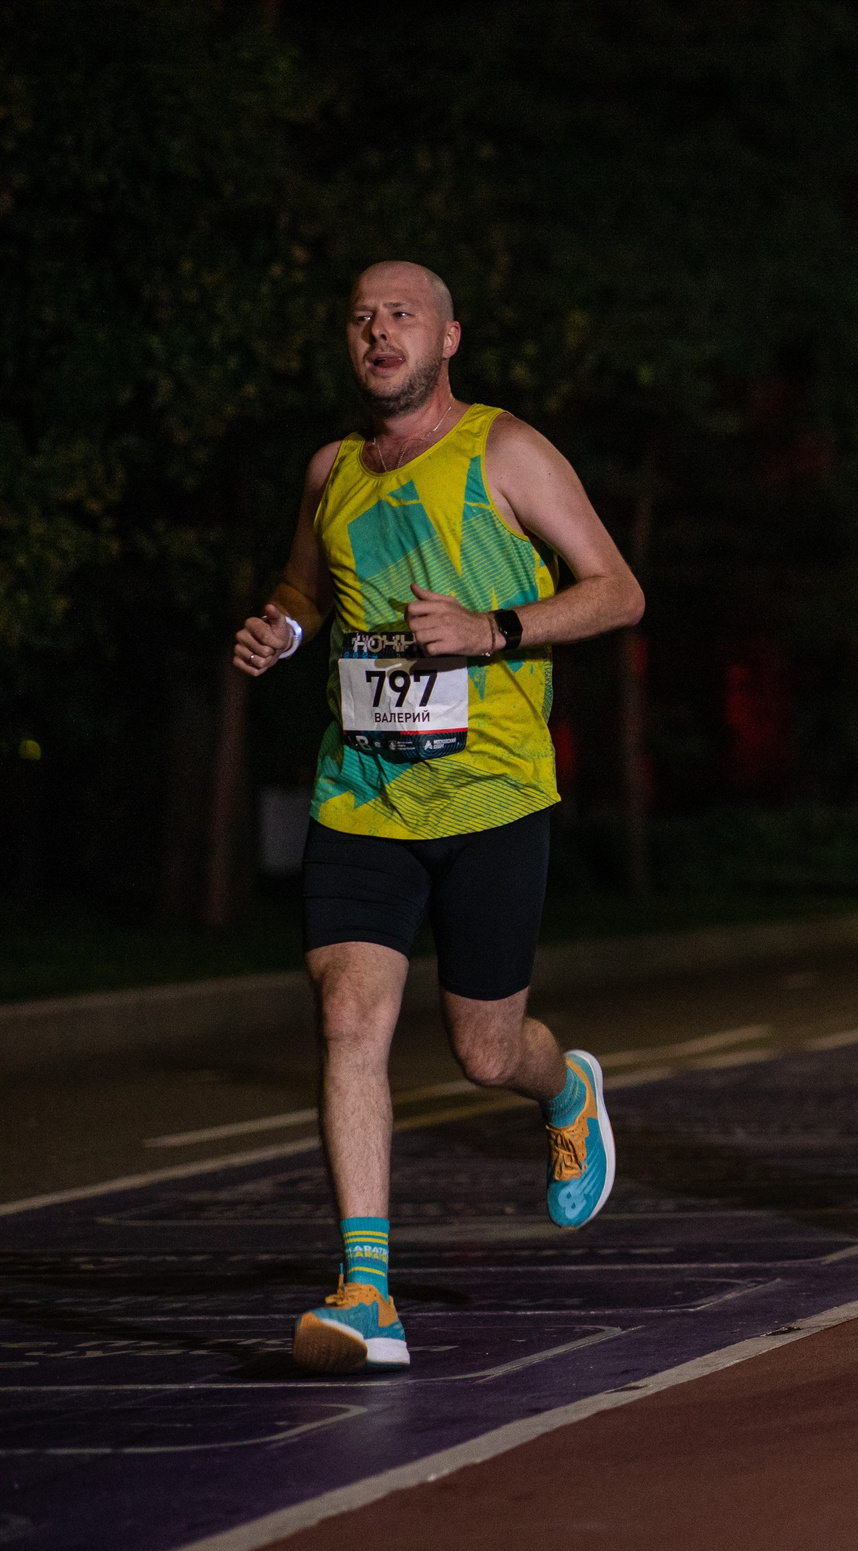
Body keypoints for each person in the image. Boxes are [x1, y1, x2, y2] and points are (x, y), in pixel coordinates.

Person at [229, 262, 646, 1373]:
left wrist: (497, 631)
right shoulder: (332, 471)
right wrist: (281, 627)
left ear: (448, 338)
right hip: (361, 793)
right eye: (362, 317)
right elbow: (307, 588)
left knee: (483, 1048)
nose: (378, 332)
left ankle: (566, 1090)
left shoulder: (507, 452)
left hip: (493, 794)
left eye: (401, 315)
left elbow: (617, 589)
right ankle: (367, 1291)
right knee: (349, 1021)